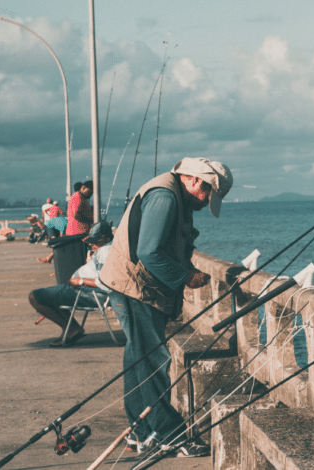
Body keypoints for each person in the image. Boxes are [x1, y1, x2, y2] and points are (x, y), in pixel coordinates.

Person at [99, 157, 232, 456]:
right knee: (153, 360)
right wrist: (185, 275)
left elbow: (176, 243)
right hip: (134, 288)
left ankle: (141, 432)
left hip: (132, 286)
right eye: (208, 193)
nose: (206, 202)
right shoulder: (165, 196)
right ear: (195, 180)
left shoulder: (180, 197)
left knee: (138, 360)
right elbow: (149, 251)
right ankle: (170, 434)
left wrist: (185, 264)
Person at [28, 221, 114, 347]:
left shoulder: (105, 251)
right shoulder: (108, 247)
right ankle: (72, 328)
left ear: (106, 239)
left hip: (88, 294)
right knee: (49, 295)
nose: (91, 244)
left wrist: (80, 281)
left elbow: (107, 283)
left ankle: (72, 329)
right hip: (83, 291)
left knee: (35, 296)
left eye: (95, 241)